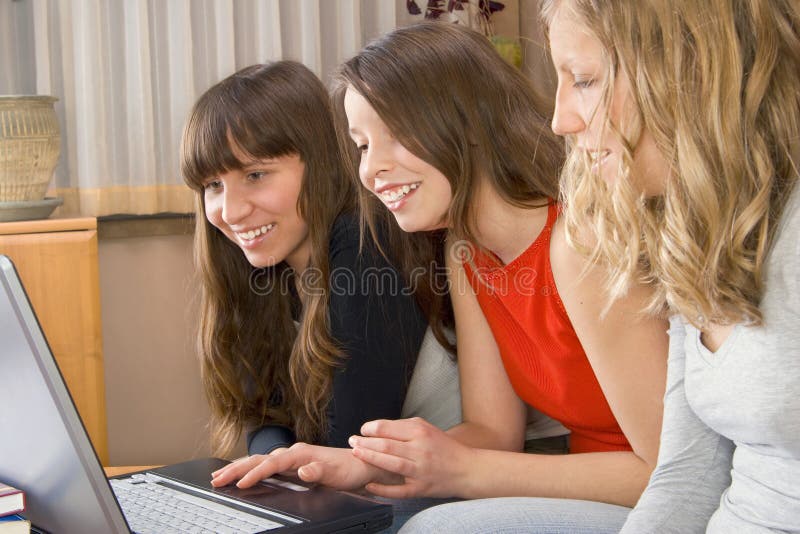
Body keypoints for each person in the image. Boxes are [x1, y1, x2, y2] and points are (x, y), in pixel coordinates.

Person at [211, 23, 669, 533]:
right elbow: (493, 432)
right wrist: (364, 463)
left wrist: (465, 470)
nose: (371, 171)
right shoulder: (466, 250)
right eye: (362, 146)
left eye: (397, 136)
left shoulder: (578, 244)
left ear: (467, 123)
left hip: (653, 504)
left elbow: (668, 473)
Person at [542, 1, 800, 532]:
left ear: (689, 72)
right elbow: (687, 473)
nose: (560, 118)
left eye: (585, 80)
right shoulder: (693, 233)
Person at [180, 61, 460, 462]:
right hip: (361, 480)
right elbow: (265, 414)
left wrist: (288, 466)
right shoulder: (263, 268)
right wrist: (276, 459)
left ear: (321, 164)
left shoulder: (366, 242)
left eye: (256, 175)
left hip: (446, 480)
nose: (231, 210)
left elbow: (350, 442)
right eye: (213, 185)